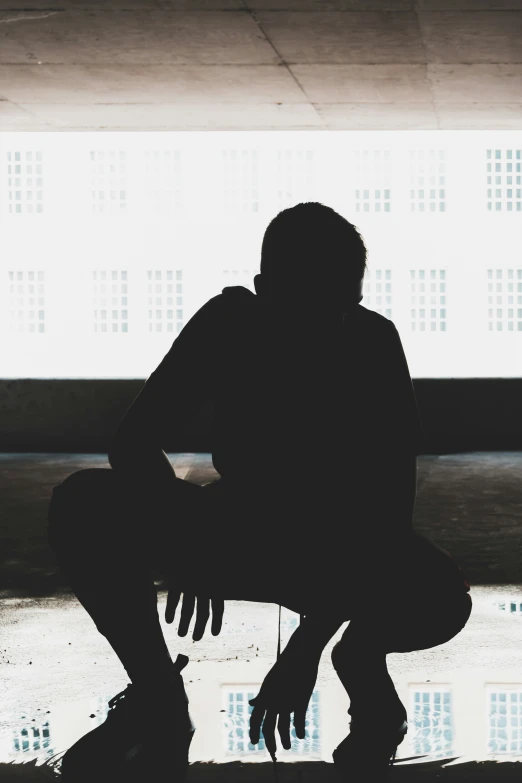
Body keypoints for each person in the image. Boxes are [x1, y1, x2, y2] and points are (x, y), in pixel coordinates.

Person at [48, 202, 472, 782]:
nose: (323, 326)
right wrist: (185, 532)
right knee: (82, 503)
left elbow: (384, 521)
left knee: (442, 596)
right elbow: (133, 442)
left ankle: (361, 657)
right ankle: (158, 694)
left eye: (340, 305)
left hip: (338, 548)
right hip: (239, 530)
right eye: (307, 306)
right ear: (263, 290)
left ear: (356, 295)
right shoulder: (228, 323)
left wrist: (307, 648)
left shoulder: (375, 342)